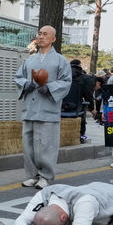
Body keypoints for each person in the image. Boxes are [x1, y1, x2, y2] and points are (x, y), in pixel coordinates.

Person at [13, 26, 72, 190]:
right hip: (30, 109)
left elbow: (67, 81)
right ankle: (32, 176)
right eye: (39, 33)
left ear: (53, 39)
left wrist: (51, 87)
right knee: (29, 145)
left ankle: (45, 176)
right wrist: (26, 84)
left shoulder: (61, 60)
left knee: (47, 145)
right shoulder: (29, 60)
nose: (41, 36)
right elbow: (18, 77)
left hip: (48, 110)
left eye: (45, 34)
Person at [61, 59, 94, 143]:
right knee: (83, 107)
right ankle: (81, 134)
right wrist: (92, 108)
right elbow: (88, 95)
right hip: (77, 109)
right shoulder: (84, 79)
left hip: (60, 108)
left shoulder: (61, 77)